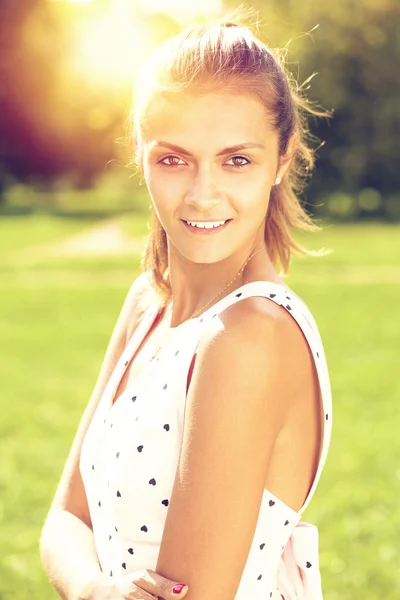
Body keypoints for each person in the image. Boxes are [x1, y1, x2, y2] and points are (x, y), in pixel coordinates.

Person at [40, 14, 334, 600]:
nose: (202, 195)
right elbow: (65, 522)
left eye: (237, 160)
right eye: (173, 159)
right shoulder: (148, 304)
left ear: (281, 160)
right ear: (141, 156)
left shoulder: (250, 335)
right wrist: (98, 591)